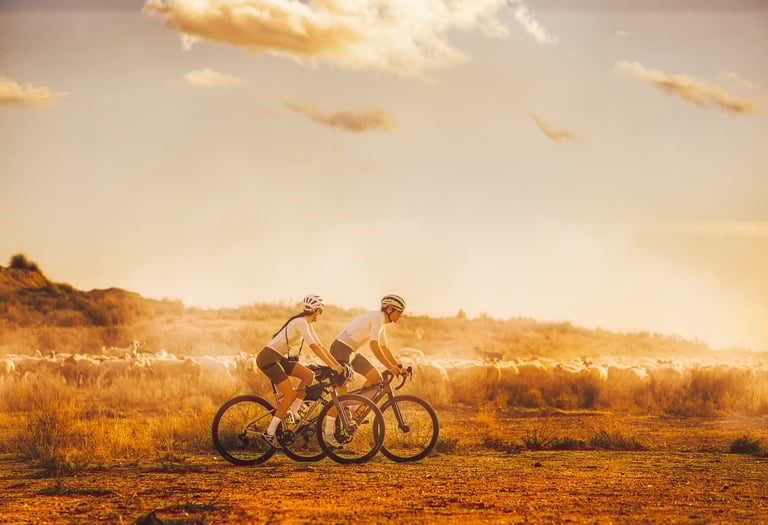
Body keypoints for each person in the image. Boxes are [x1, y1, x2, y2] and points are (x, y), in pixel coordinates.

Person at [256, 294, 344, 448]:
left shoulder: (305, 323)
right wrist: (332, 366)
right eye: (320, 312)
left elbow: (321, 346)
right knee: (290, 394)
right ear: (316, 311)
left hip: (277, 358)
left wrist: (337, 365)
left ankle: (292, 413)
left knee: (308, 375)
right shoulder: (301, 323)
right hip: (268, 358)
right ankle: (269, 432)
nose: (320, 315)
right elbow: (314, 347)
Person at [324, 294, 407, 446]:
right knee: (341, 394)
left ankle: (353, 410)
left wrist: (398, 366)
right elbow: (374, 346)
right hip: (341, 349)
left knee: (376, 378)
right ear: (389, 309)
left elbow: (384, 347)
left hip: (351, 351)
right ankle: (328, 433)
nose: (400, 315)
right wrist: (390, 367)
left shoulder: (381, 323)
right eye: (398, 311)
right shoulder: (377, 318)